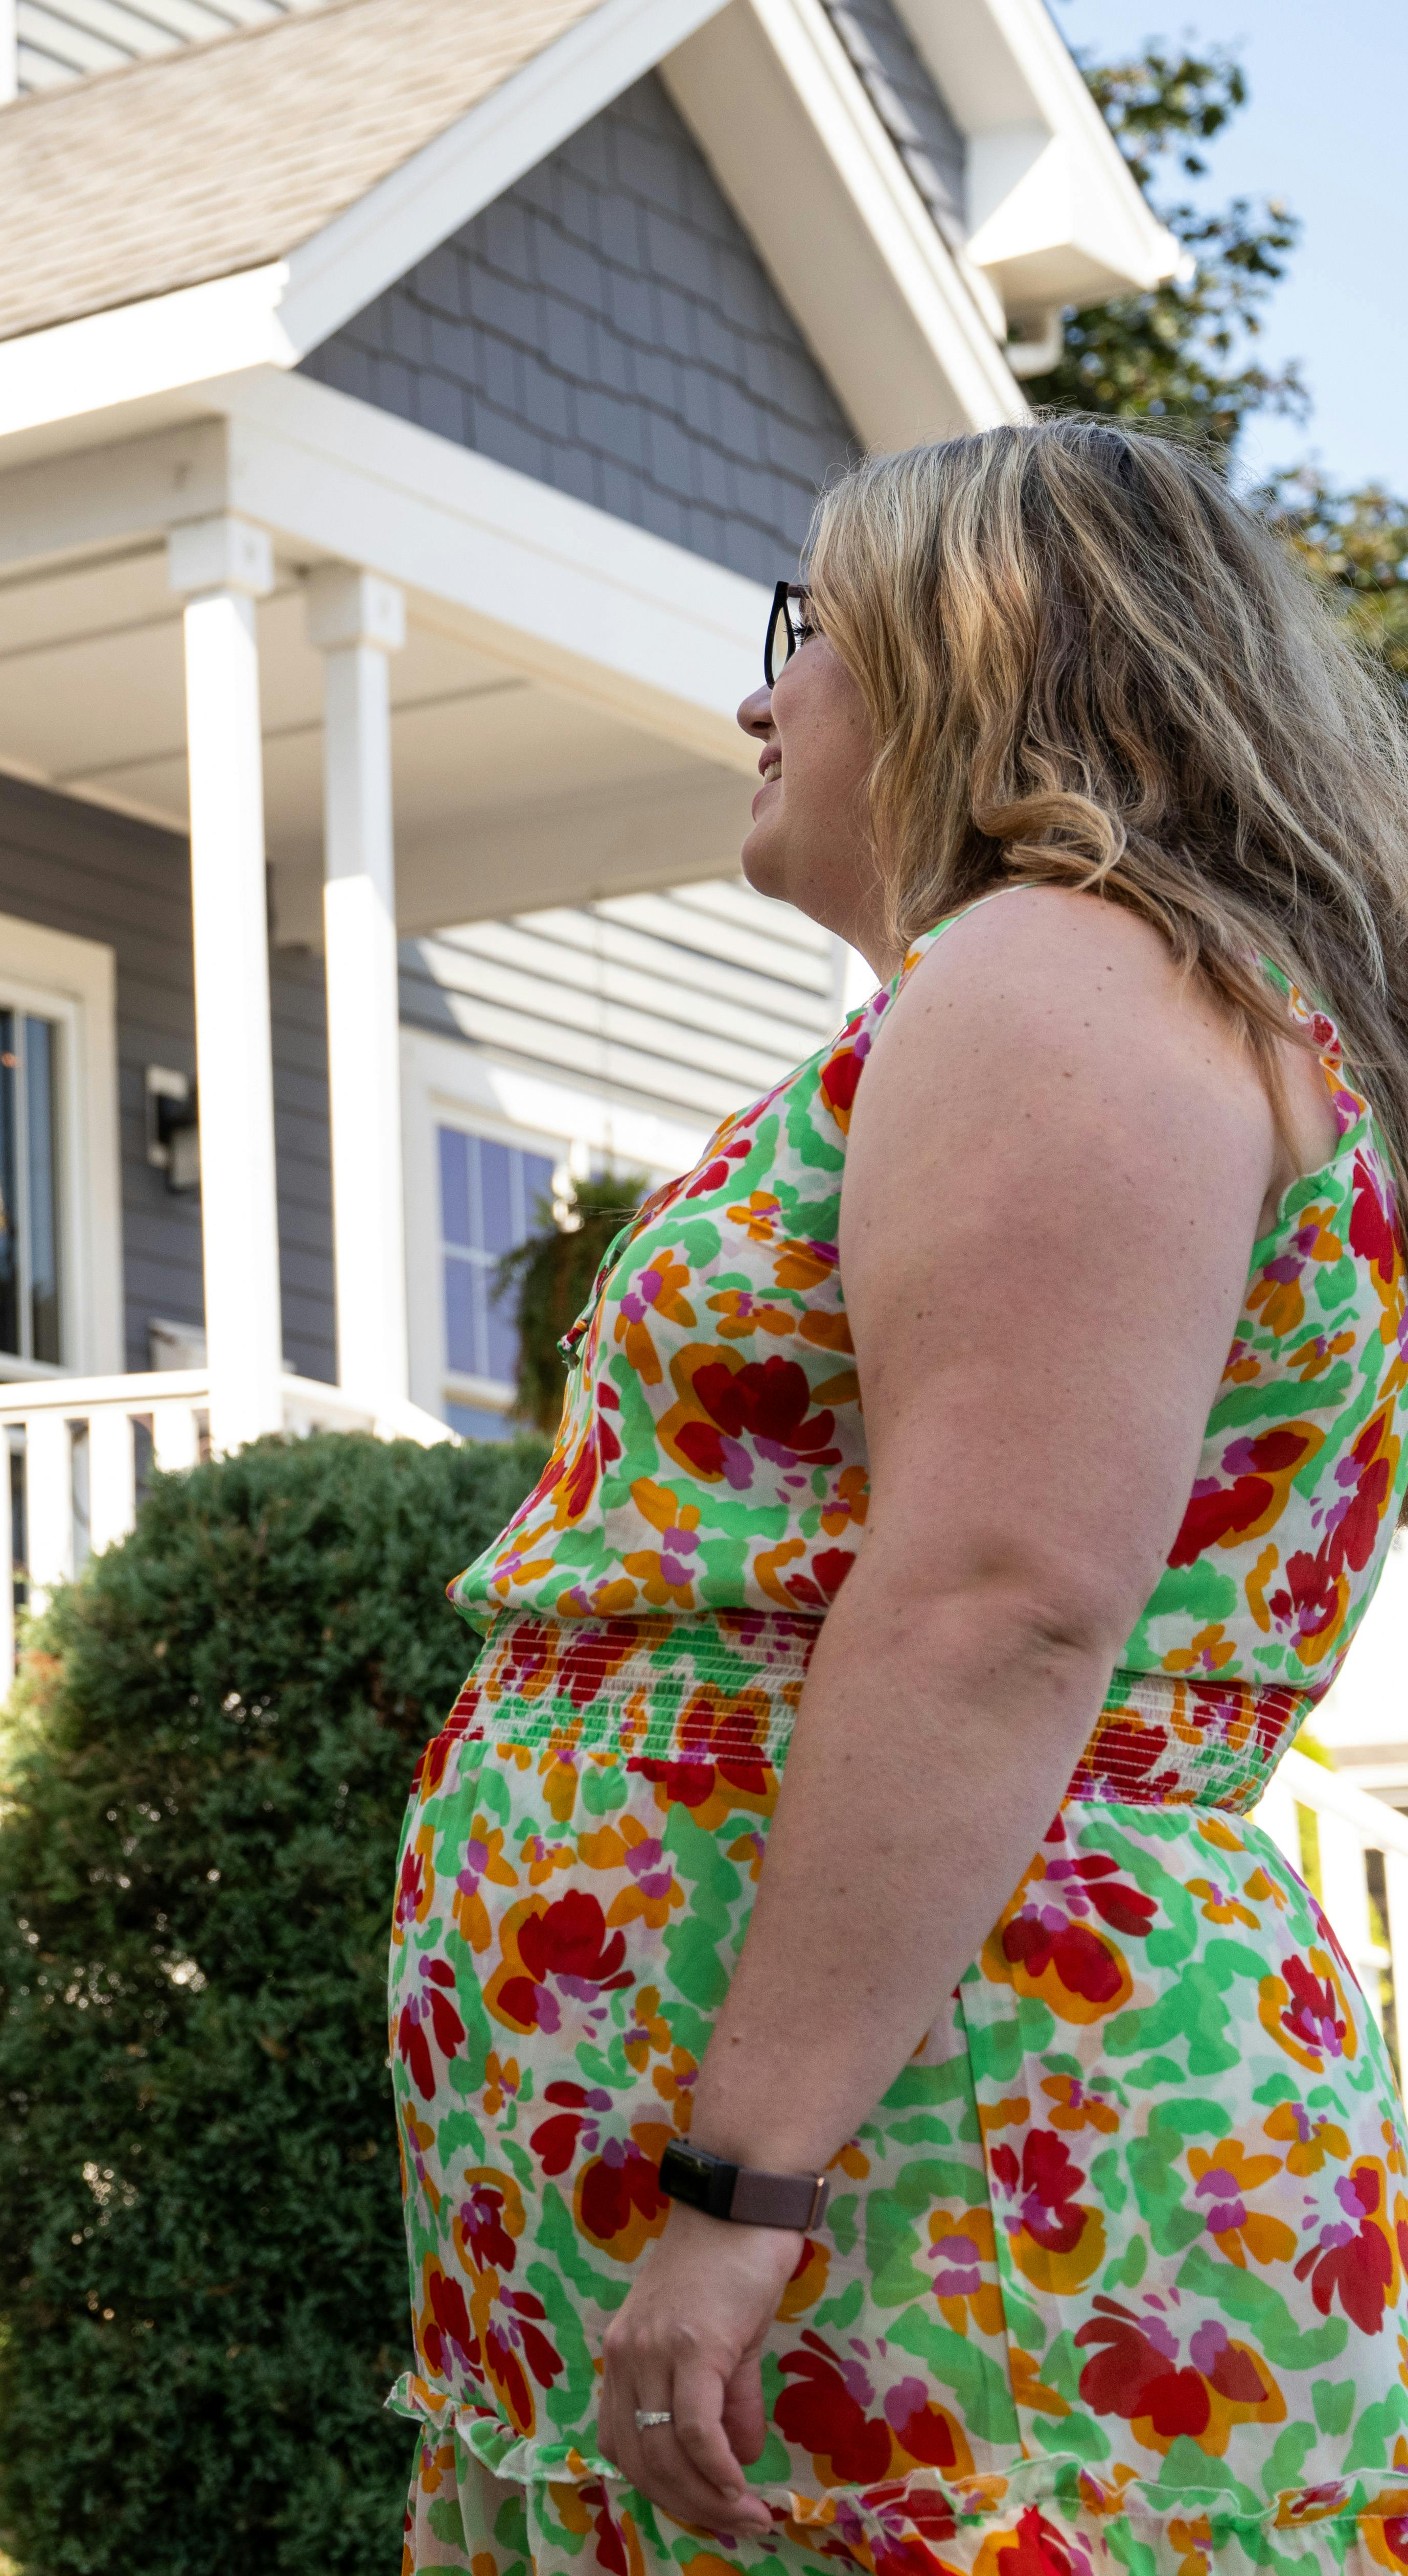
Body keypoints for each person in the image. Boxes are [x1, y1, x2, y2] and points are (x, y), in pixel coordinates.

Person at [390, 417, 1408, 2573]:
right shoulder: (1118, 993)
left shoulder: (1063, 973)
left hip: (938, 2134)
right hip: (897, 2101)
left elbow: (997, 1596)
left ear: (984, 660)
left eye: (807, 632)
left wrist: (746, 2177)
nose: (760, 697)